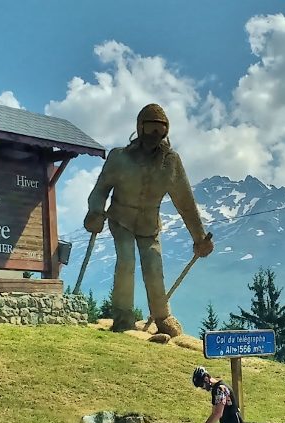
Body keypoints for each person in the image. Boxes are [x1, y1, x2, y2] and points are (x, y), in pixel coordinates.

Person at [85, 103, 214, 334]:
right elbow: (101, 189)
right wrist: (95, 211)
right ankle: (123, 318)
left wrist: (199, 237)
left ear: (166, 131)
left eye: (160, 129)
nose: (156, 134)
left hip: (149, 224)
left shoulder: (171, 163)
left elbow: (185, 203)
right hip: (120, 217)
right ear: (140, 127)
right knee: (126, 261)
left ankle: (162, 317)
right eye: (151, 128)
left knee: (154, 266)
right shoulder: (119, 158)